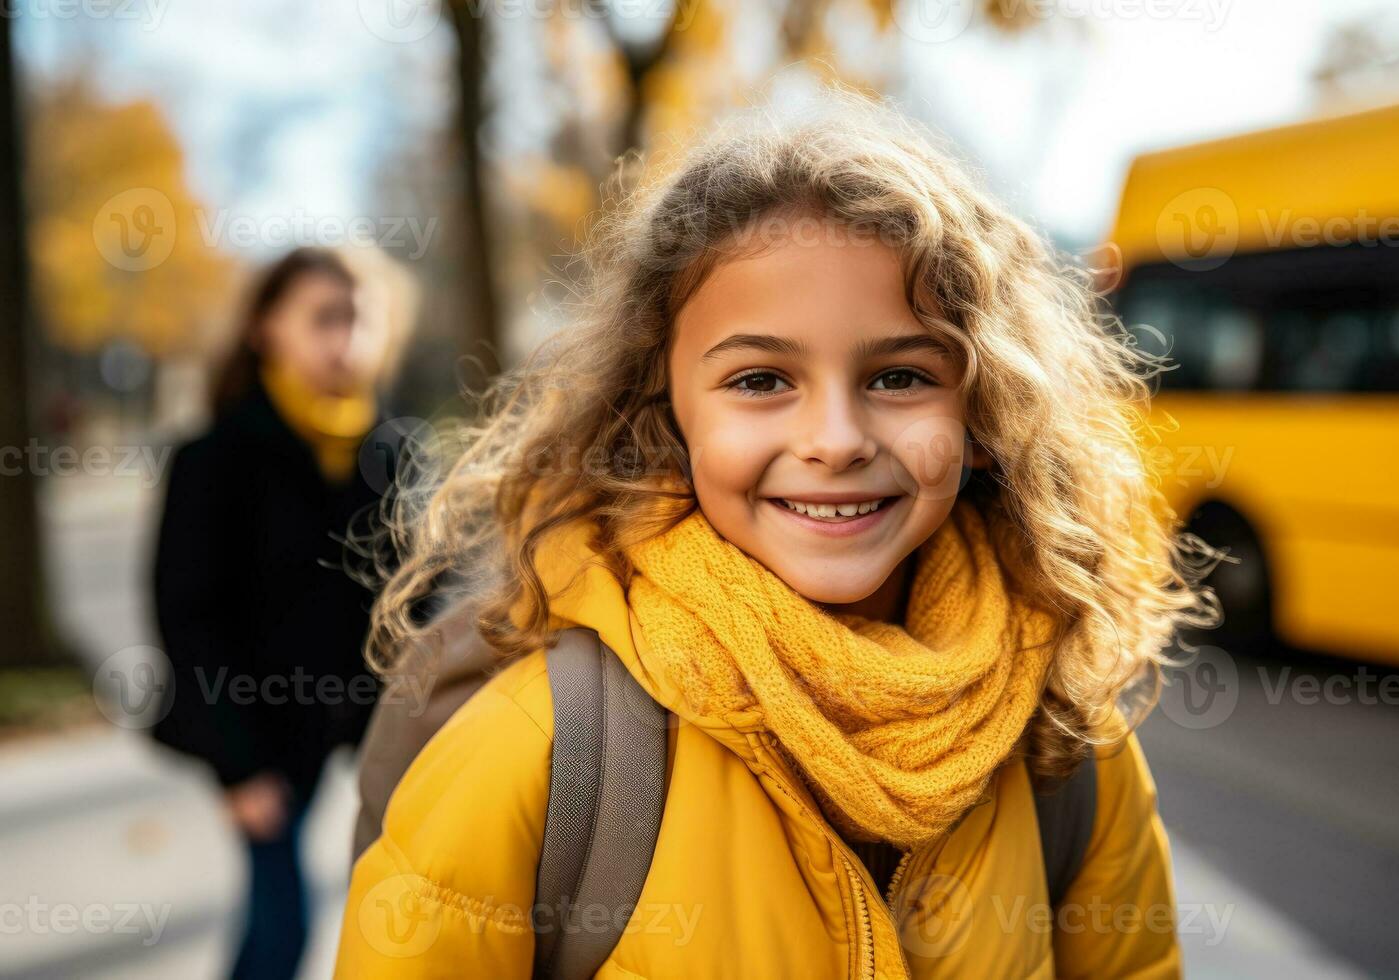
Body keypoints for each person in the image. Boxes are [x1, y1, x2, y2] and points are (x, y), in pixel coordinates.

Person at [336, 91, 1216, 978]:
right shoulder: (552, 747)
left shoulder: (1065, 742)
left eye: (901, 376)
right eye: (760, 381)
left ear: (984, 409)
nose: (835, 440)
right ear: (663, 413)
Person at [151, 245, 415, 980]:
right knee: (282, 926)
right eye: (324, 318)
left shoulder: (395, 453)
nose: (346, 340)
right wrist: (240, 768)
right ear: (265, 328)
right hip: (263, 734)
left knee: (410, 917)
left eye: (360, 318)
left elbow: (431, 595)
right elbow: (188, 620)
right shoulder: (214, 458)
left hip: (380, 725)